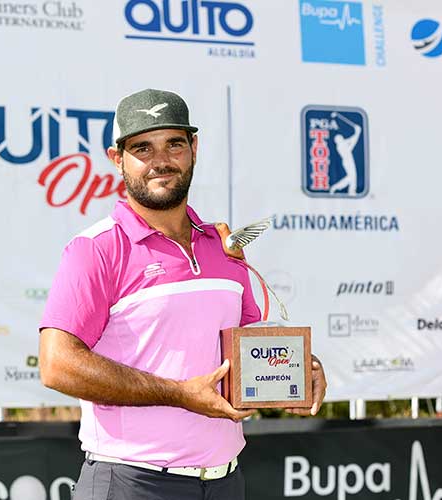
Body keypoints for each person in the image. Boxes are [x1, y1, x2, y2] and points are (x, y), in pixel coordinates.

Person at [38, 88, 327, 500]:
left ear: (194, 148)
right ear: (117, 159)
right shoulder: (96, 249)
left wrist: (299, 372)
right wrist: (180, 394)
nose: (161, 160)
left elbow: (248, 351)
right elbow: (56, 365)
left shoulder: (223, 246)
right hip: (132, 482)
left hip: (225, 481)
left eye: (174, 144)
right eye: (143, 148)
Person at [328, 111, 362, 196]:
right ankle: (336, 188)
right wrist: (357, 132)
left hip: (348, 160)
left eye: (341, 137)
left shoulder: (343, 143)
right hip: (347, 161)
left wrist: (357, 132)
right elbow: (352, 142)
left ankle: (350, 191)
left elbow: (351, 140)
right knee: (352, 177)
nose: (342, 138)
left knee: (352, 177)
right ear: (337, 141)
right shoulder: (341, 146)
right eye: (340, 138)